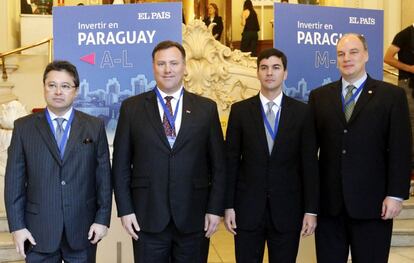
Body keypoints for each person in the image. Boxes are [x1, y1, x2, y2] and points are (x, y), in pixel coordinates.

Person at [112, 40, 226, 262]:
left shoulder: (207, 108)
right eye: (161, 63)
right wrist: (125, 210)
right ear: (153, 67)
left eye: (174, 63)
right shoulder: (132, 108)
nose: (167, 69)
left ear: (185, 66)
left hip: (195, 217)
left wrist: (215, 209)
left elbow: (219, 166)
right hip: (147, 217)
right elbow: (121, 165)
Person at [309, 33, 412, 263]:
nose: (347, 58)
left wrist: (395, 194)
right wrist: (310, 203)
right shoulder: (319, 97)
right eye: (341, 54)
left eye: (353, 52)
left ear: (366, 55)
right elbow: (309, 153)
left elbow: (400, 149)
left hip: (373, 206)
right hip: (329, 207)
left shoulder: (391, 96)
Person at [4, 60, 112, 262]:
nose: (58, 92)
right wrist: (17, 227)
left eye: (65, 86)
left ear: (76, 90)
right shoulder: (24, 128)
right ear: (44, 88)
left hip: (83, 229)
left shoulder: (94, 127)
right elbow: (13, 183)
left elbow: (103, 178)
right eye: (51, 85)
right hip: (38, 231)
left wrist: (102, 220)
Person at [224, 48, 319, 263]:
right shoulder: (240, 111)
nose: (269, 73)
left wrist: (311, 210)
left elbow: (309, 165)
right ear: (257, 72)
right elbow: (231, 162)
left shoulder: (302, 113)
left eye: (276, 68)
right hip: (247, 211)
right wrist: (228, 206)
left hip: (288, 211)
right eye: (264, 68)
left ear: (285, 73)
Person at [384, 24, 414, 162]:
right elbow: (388, 57)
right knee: (410, 121)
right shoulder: (404, 34)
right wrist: (409, 68)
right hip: (408, 84)